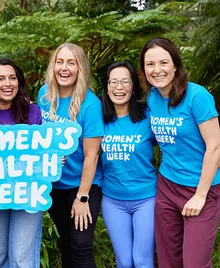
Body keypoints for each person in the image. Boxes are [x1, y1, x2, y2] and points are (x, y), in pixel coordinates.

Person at [139, 37, 220, 268]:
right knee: (168, 260)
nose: (157, 70)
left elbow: (215, 146)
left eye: (163, 63)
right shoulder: (153, 98)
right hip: (167, 187)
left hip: (201, 188)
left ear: (175, 64)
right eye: (150, 64)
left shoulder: (197, 96)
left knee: (195, 263)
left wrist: (201, 195)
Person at [37, 43, 104, 268]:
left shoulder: (90, 104)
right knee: (66, 241)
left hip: (82, 185)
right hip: (54, 184)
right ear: (53, 65)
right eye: (60, 62)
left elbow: (91, 156)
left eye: (71, 63)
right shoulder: (44, 95)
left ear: (80, 68)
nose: (64, 68)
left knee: (81, 244)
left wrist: (82, 197)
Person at [0, 58, 43, 268]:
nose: (8, 84)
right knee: (1, 254)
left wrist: (55, 157)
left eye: (12, 78)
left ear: (19, 82)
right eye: (1, 79)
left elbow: (43, 151)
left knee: (22, 255)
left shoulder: (32, 112)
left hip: (28, 192)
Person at [99, 61, 156, 268]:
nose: (119, 87)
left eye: (125, 82)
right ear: (107, 87)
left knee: (142, 260)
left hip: (146, 199)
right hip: (113, 200)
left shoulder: (148, 118)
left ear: (134, 87)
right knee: (123, 261)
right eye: (113, 82)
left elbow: (174, 142)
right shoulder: (99, 119)